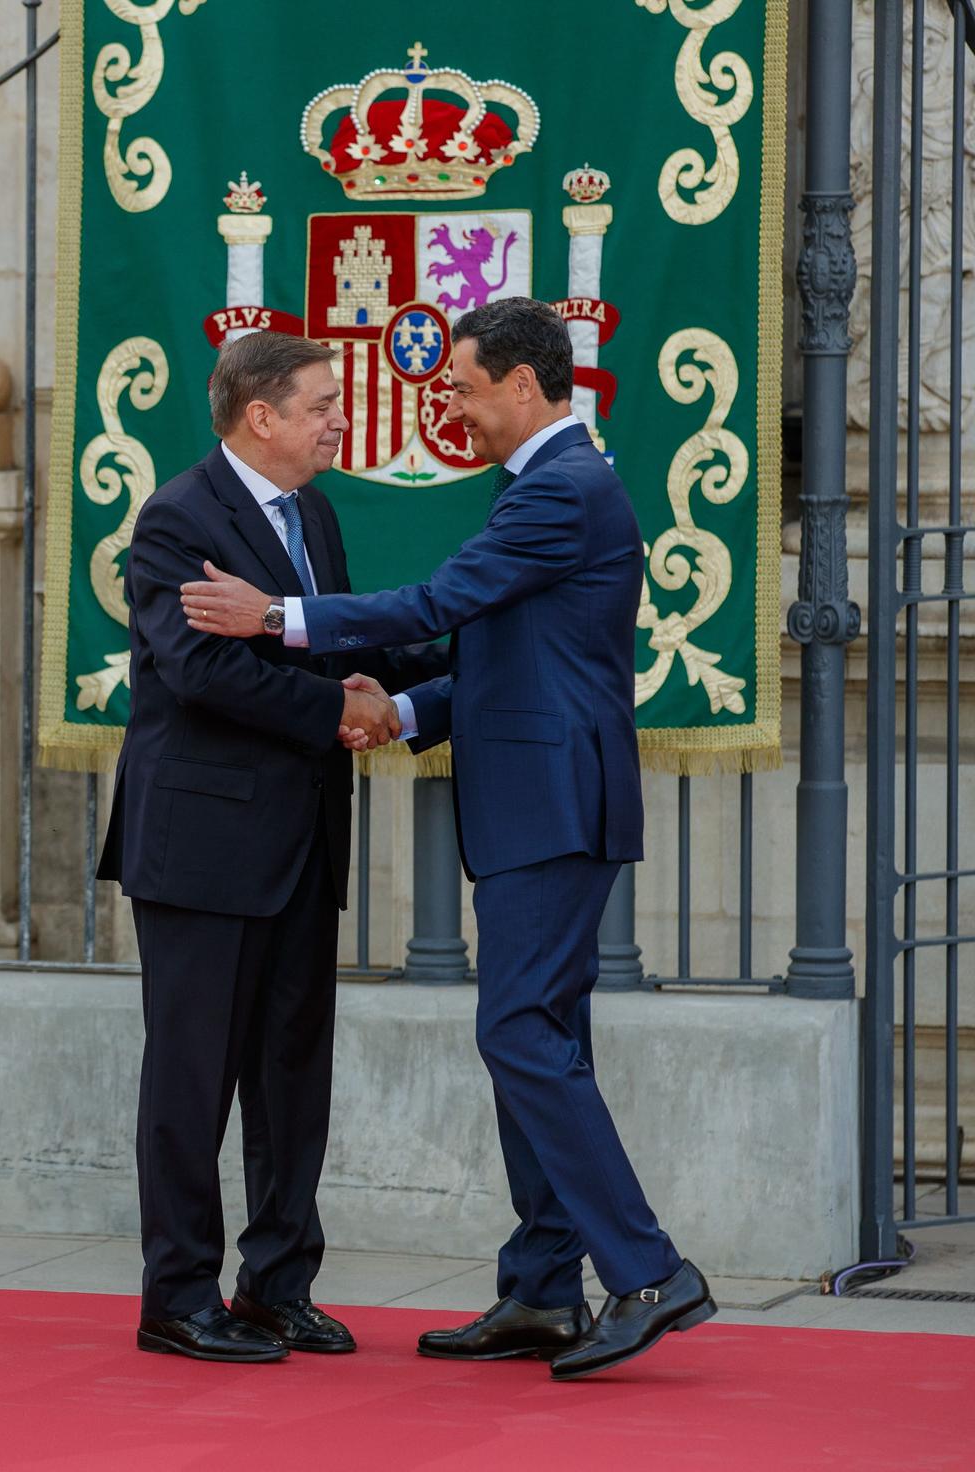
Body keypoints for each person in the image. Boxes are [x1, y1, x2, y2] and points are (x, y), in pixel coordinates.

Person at [179, 297, 713, 1381]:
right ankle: (542, 1289)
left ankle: (648, 1271)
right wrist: (400, 711)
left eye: (464, 388)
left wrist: (273, 617)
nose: (453, 409)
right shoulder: (552, 487)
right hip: (543, 800)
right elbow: (499, 659)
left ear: (522, 384)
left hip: (550, 806)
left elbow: (436, 599)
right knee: (541, 1035)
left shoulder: (560, 488)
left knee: (520, 1033)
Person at [101, 330, 440, 1363]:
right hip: (202, 846)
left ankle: (276, 1283)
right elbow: (201, 669)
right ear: (261, 415)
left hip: (297, 840)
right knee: (192, 1077)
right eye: (322, 403)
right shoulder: (176, 516)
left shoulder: (315, 513)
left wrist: (433, 655)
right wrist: (335, 713)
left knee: (293, 1072)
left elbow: (326, 638)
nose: (339, 417)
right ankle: (177, 1292)